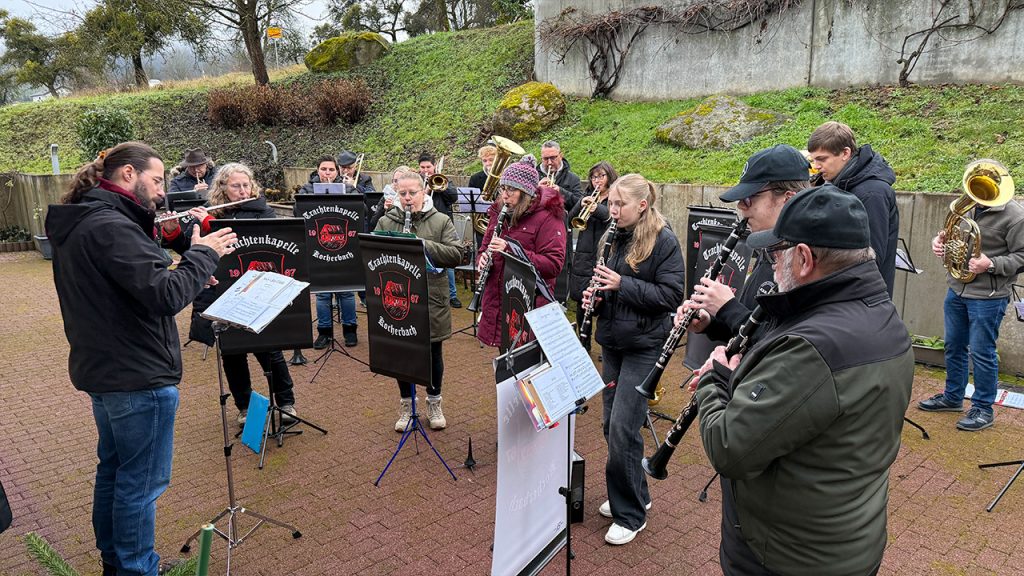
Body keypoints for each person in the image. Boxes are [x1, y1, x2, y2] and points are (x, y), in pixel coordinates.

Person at [693, 184, 914, 575]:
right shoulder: (884, 318)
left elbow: (730, 448)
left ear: (805, 258)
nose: (771, 265)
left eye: (776, 254)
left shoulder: (815, 347)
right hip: (845, 538)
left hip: (786, 555)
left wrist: (716, 378)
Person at [47, 141, 237, 576]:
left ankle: (118, 561)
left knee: (114, 471)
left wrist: (188, 270)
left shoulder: (88, 220)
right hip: (136, 374)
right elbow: (163, 296)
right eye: (155, 180)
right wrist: (202, 254)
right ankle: (136, 569)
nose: (161, 193)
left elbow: (134, 285)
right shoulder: (110, 226)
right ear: (128, 175)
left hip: (106, 367)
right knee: (140, 484)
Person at [581, 173, 685, 546]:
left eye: (619, 203)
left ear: (642, 205)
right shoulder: (613, 236)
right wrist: (595, 299)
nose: (612, 209)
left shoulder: (664, 240)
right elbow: (607, 286)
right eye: (610, 202)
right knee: (612, 425)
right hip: (613, 342)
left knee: (624, 428)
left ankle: (631, 514)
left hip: (645, 346)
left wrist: (621, 285)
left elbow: (672, 295)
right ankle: (636, 492)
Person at [163, 162, 301, 427]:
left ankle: (286, 402)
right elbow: (192, 250)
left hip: (257, 293)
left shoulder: (263, 212)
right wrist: (173, 233)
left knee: (269, 351)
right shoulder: (210, 213)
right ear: (223, 188)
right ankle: (245, 407)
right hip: (223, 292)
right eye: (235, 186)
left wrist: (212, 225)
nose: (241, 190)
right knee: (232, 353)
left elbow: (250, 242)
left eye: (245, 185)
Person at [917, 181, 1024, 431]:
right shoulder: (966, 207)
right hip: (957, 288)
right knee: (953, 345)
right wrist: (940, 242)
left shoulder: (1016, 217)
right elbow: (953, 235)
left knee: (981, 352)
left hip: (989, 296)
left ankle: (983, 409)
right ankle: (953, 397)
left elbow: (1022, 256)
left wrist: (991, 264)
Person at [680, 144, 811, 342]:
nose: (741, 206)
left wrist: (729, 308)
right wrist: (710, 324)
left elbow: (784, 347)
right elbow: (749, 329)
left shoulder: (805, 260)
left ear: (788, 199)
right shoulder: (771, 248)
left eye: (750, 198)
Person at [374, 171, 464, 430]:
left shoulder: (440, 220)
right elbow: (372, 251)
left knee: (433, 350)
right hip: (398, 297)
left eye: (413, 193)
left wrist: (423, 245)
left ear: (424, 191)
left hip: (430, 296)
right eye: (402, 193)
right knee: (401, 352)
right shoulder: (387, 220)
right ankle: (406, 404)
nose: (408, 198)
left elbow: (456, 255)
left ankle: (434, 401)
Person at [476, 159, 567, 348]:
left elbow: (553, 265)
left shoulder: (548, 216)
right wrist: (483, 259)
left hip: (530, 304)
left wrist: (509, 250)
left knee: (527, 372)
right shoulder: (499, 210)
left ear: (526, 193)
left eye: (512, 190)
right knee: (504, 368)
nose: (505, 195)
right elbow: (484, 248)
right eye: (503, 188)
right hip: (499, 300)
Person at [807, 121, 899, 297]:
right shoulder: (838, 183)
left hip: (862, 299)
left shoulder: (873, 193)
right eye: (813, 160)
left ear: (845, 153)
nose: (816, 166)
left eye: (821, 159)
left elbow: (871, 258)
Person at [300, 155, 359, 348]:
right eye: (324, 169)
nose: (327, 173)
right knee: (322, 294)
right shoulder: (307, 189)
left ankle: (350, 330)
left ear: (337, 171)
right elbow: (297, 212)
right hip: (318, 249)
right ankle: (324, 332)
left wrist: (351, 191)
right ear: (318, 170)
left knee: (347, 292)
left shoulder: (348, 188)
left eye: (331, 170)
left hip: (344, 248)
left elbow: (360, 211)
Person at [568, 161, 618, 351]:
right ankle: (584, 341)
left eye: (601, 176)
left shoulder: (615, 197)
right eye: (594, 176)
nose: (597, 180)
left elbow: (611, 218)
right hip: (584, 254)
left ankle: (607, 345)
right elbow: (570, 221)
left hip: (605, 253)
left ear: (609, 177)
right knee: (583, 300)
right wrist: (580, 203)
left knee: (604, 303)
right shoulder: (587, 195)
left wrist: (596, 207)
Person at [419, 152, 463, 308]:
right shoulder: (417, 181)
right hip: (423, 225)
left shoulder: (442, 179)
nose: (426, 171)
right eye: (423, 167)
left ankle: (452, 295)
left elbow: (453, 197)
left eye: (428, 167)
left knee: (445, 259)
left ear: (434, 166)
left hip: (442, 224)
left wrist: (437, 186)